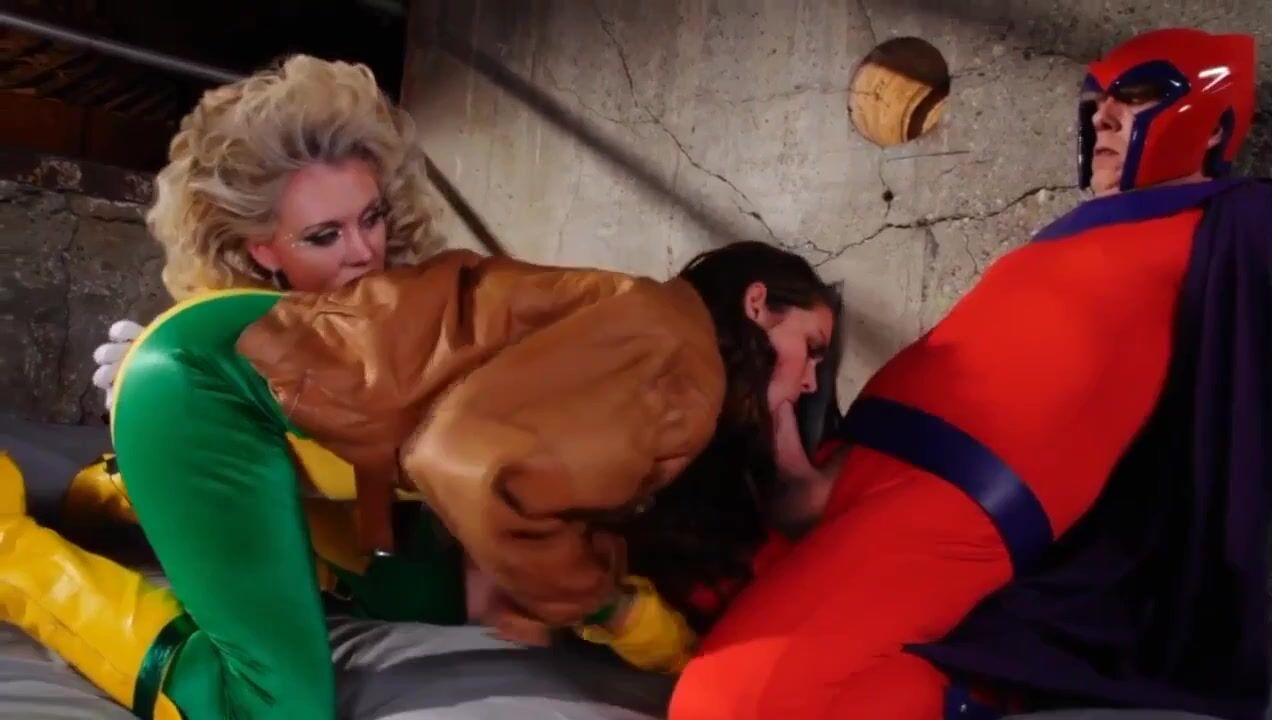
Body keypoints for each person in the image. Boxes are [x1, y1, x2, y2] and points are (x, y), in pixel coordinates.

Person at [669, 27, 1272, 720]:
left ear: (1214, 126)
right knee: (694, 601)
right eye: (1099, 99)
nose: (1103, 117)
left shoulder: (1241, 216)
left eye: (1137, 96)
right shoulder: (1083, 235)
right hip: (862, 468)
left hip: (951, 496)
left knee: (728, 700)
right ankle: (965, 688)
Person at [2, 237, 833, 719]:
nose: (810, 382)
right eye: (813, 349)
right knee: (272, 708)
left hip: (248, 362)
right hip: (216, 390)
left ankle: (124, 491)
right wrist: (613, 608)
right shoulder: (682, 375)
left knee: (419, 577)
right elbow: (459, 459)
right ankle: (12, 552)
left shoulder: (651, 325)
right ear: (757, 305)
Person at [48, 54, 440, 536]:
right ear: (262, 249)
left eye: (372, 218)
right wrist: (154, 415)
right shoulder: (230, 340)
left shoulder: (438, 312)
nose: (364, 251)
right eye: (324, 236)